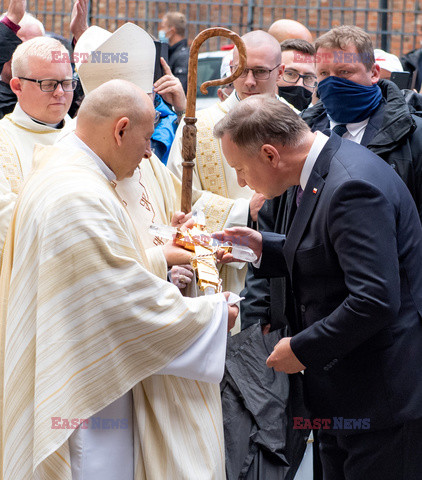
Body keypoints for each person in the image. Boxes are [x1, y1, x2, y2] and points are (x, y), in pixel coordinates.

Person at [0, 79, 239, 480]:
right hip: (84, 387)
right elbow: (119, 301)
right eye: (146, 139)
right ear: (120, 129)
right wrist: (213, 316)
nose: (149, 153)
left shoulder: (68, 171)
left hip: (78, 359)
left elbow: (104, 269)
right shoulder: (78, 195)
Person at [213, 94, 422, 480]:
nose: (241, 182)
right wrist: (263, 248)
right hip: (345, 394)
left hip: (380, 401)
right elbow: (328, 255)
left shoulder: (351, 186)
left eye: (241, 169)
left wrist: (301, 349)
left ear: (271, 154)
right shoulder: (322, 166)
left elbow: (374, 299)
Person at [167, 30, 296, 302]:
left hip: (283, 273)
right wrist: (243, 212)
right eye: (241, 70)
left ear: (280, 71)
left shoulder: (296, 124)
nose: (249, 81)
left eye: (260, 72)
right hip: (217, 274)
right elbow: (177, 199)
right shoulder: (199, 126)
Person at [302, 25, 422, 220]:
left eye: (344, 72)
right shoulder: (301, 133)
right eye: (324, 73)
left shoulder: (413, 135)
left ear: (374, 73)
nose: (333, 83)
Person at [0, 36, 74, 257]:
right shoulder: (3, 140)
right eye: (49, 84)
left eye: (68, 83)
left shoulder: (88, 138)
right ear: (17, 86)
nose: (60, 92)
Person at [0, 0, 44, 118]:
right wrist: (11, 22)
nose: (24, 56)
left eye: (33, 48)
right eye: (17, 47)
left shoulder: (57, 92)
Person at [277, 38, 317, 110]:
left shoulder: (323, 119)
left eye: (308, 78)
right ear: (275, 74)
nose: (300, 84)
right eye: (290, 74)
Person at [159, 12, 189, 92]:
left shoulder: (182, 56)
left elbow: (180, 89)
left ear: (172, 30)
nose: (161, 31)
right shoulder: (171, 52)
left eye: (163, 27)